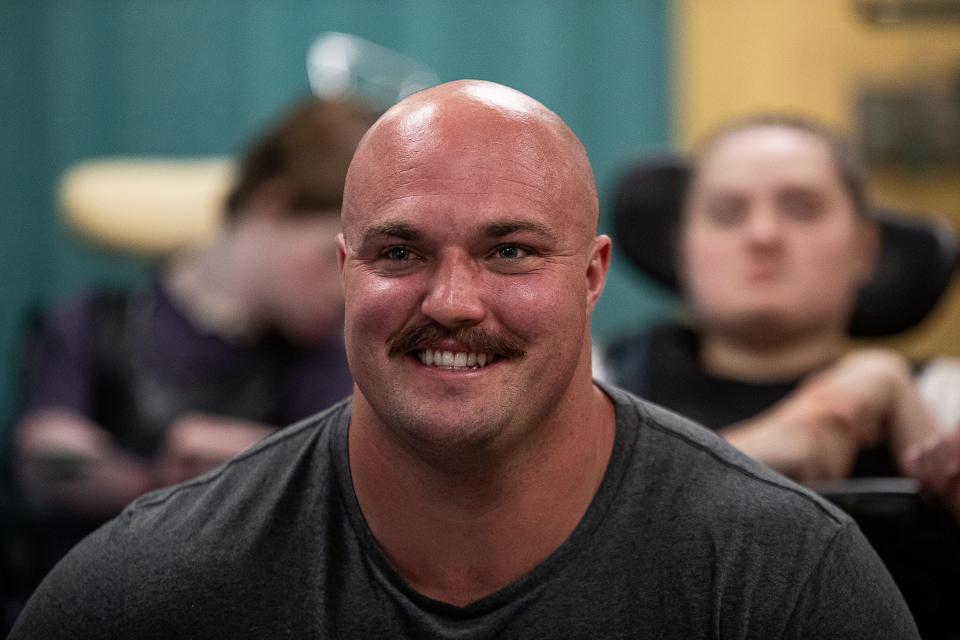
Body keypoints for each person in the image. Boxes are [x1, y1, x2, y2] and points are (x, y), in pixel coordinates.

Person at [10, 81, 919, 638]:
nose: (451, 302)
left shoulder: (786, 576)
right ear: (345, 274)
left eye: (512, 251)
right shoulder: (153, 585)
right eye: (400, 253)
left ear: (593, 277)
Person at [9, 97, 374, 575]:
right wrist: (157, 477)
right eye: (331, 259)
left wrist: (256, 463)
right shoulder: (88, 324)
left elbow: (355, 486)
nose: (348, 290)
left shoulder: (327, 355)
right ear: (273, 205)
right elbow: (44, 468)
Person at [605, 116, 960, 513]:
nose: (763, 235)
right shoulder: (591, 386)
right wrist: (772, 443)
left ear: (865, 249)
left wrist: (903, 408)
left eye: (802, 210)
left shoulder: (945, 400)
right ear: (681, 249)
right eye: (727, 214)